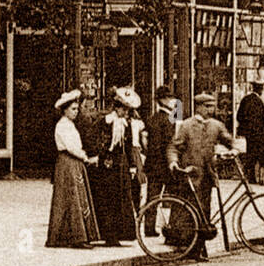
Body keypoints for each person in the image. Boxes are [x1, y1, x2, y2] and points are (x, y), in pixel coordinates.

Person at [166, 93, 234, 260]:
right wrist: (173, 162)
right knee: (189, 212)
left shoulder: (216, 126)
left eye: (212, 107)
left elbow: (229, 140)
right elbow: (174, 147)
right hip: (190, 175)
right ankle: (188, 246)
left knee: (205, 211)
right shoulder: (187, 126)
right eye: (208, 107)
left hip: (207, 176)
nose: (211, 110)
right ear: (199, 107)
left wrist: (233, 149)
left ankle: (200, 248)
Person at [46, 90, 101, 248]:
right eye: (73, 109)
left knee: (73, 198)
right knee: (72, 199)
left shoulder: (69, 125)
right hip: (68, 163)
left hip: (73, 164)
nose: (76, 112)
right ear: (64, 110)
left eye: (77, 109)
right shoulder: (63, 126)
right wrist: (85, 157)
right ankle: (77, 237)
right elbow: (71, 147)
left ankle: (71, 236)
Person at [90, 87, 138, 247]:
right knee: (107, 198)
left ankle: (119, 233)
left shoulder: (126, 124)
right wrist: (99, 154)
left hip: (120, 164)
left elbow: (129, 145)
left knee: (120, 198)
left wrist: (132, 165)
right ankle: (108, 234)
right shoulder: (105, 121)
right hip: (105, 164)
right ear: (116, 107)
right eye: (124, 109)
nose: (126, 112)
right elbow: (95, 139)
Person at [142, 85, 178, 237]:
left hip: (152, 165)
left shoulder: (152, 119)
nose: (171, 100)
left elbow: (146, 142)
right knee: (175, 195)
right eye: (169, 98)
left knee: (152, 197)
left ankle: (149, 228)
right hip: (164, 165)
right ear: (162, 100)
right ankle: (173, 227)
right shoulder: (168, 120)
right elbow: (169, 144)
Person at [236, 81, 264, 185]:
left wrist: (244, 126)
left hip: (248, 132)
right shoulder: (258, 102)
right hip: (258, 132)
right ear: (260, 90)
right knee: (256, 153)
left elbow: (239, 116)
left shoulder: (245, 99)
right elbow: (261, 118)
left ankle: (250, 175)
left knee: (250, 152)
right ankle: (255, 176)